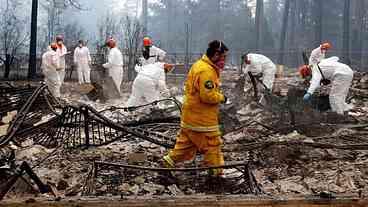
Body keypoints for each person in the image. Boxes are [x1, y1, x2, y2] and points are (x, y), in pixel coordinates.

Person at [163, 40, 228, 177]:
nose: (224, 60)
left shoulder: (199, 65)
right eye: (223, 57)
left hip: (190, 116)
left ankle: (168, 162)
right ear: (216, 55)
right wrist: (222, 98)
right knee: (212, 146)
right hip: (202, 120)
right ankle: (216, 175)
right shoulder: (207, 71)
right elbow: (208, 96)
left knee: (185, 145)